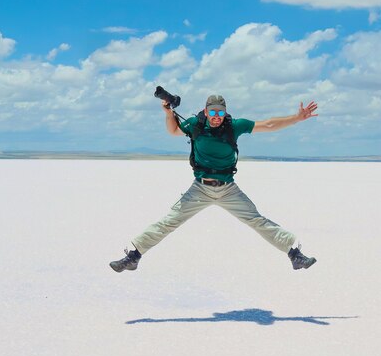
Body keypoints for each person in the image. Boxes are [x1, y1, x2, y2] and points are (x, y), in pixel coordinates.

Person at [109, 93, 319, 272]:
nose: (217, 117)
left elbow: (269, 124)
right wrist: (168, 113)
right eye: (213, 112)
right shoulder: (195, 125)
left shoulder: (235, 126)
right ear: (206, 111)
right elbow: (173, 131)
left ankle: (294, 255)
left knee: (257, 221)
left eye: (220, 112)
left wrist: (297, 118)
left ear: (225, 112)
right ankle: (134, 257)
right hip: (200, 188)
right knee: (169, 221)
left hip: (228, 190)